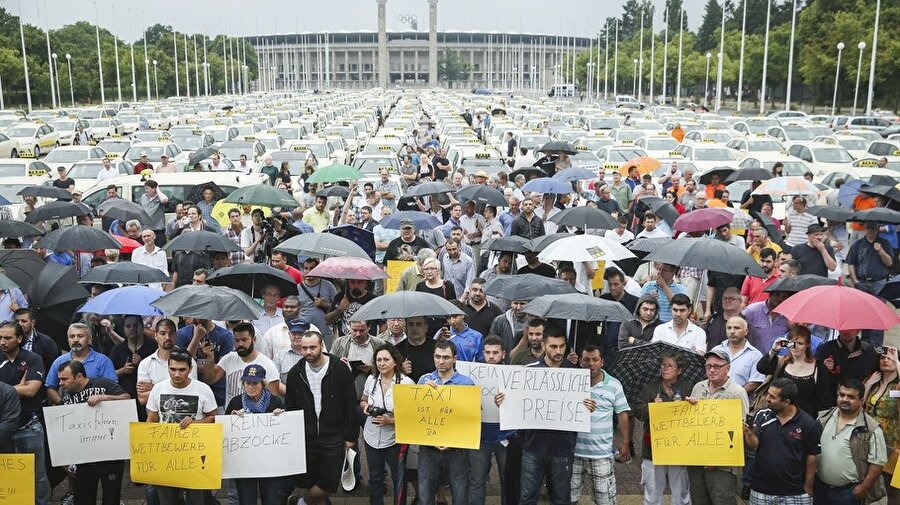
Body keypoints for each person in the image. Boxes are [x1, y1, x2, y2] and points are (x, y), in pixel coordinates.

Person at [496, 328, 588, 505]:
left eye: (562, 346)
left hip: (563, 447)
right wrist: (503, 401)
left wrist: (587, 407)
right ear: (544, 345)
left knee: (561, 498)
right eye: (553, 346)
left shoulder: (575, 373)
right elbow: (515, 404)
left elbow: (580, 407)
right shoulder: (529, 371)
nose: (559, 351)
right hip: (533, 446)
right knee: (527, 498)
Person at [284, 329, 359, 505]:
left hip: (333, 435)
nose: (308, 352)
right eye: (304, 348)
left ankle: (301, 502)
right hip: (307, 437)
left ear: (321, 346)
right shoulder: (296, 373)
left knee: (329, 483)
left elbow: (350, 404)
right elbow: (291, 406)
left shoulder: (339, 369)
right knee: (312, 481)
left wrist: (351, 435)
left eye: (312, 347)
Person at [145, 349, 218, 504]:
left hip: (194, 454)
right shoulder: (158, 389)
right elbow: (151, 421)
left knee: (197, 499)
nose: (177, 374)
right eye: (173, 369)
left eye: (182, 370)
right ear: (168, 368)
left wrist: (195, 423)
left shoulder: (203, 389)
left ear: (190, 369)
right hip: (165, 454)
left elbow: (214, 418)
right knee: (166, 499)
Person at [56, 360, 130, 505]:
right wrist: (64, 461)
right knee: (83, 499)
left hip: (111, 456)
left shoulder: (103, 384)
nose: (60, 383)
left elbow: (126, 399)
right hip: (84, 460)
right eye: (59, 379)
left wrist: (104, 397)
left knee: (112, 498)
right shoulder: (65, 397)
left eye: (64, 379)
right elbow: (62, 431)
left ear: (78, 376)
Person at [415, 340, 475, 505]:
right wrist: (422, 393)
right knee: (425, 495)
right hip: (428, 448)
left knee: (460, 494)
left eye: (446, 357)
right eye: (438, 357)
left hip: (457, 449)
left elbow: (470, 418)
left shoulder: (466, 384)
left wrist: (453, 440)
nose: (441, 361)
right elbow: (416, 415)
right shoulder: (423, 381)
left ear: (455, 359)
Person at [686, 349, 749, 505]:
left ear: (728, 368)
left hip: (723, 466)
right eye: (708, 366)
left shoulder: (737, 392)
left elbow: (740, 430)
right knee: (699, 501)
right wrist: (688, 406)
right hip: (697, 459)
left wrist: (718, 458)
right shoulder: (698, 387)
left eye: (717, 366)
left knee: (722, 501)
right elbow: (689, 423)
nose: (712, 370)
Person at [744, 378, 820, 505]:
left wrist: (808, 485)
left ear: (786, 402)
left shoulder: (808, 423)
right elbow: (754, 445)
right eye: (768, 393)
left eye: (772, 397)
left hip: (795, 492)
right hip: (761, 491)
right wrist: (749, 433)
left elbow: (812, 455)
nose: (767, 398)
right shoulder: (762, 415)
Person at [571, 345, 632, 505]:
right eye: (586, 360)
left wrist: (625, 442)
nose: (590, 364)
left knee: (605, 500)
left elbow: (623, 414)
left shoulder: (614, 384)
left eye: (595, 360)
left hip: (601, 454)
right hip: (573, 452)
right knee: (568, 498)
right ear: (580, 362)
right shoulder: (571, 383)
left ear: (602, 362)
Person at [632, 352, 693, 505]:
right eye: (663, 365)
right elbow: (637, 411)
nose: (665, 368)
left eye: (670, 366)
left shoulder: (688, 387)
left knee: (681, 493)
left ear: (679, 370)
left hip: (679, 449)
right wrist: (652, 407)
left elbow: (696, 415)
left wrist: (692, 404)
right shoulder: (650, 388)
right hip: (653, 448)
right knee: (652, 493)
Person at [0, 321, 50, 504]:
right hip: (2, 429)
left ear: (19, 338)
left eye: (7, 338)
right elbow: (23, 389)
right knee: (5, 474)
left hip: (28, 427)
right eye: (0, 338)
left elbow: (31, 391)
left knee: (37, 475)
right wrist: (18, 386)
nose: (2, 342)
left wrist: (5, 390)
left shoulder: (33, 358)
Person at [815, 378, 887, 505]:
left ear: (861, 401)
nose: (844, 399)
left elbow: (877, 463)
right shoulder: (823, 418)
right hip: (820, 487)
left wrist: (864, 487)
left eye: (851, 397)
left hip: (848, 493)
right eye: (842, 395)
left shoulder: (871, 428)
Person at [359, 344, 415, 505]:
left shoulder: (406, 383)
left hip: (395, 439)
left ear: (395, 361)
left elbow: (413, 415)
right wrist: (366, 408)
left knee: (398, 478)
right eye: (378, 360)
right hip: (371, 437)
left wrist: (390, 421)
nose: (382, 363)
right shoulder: (371, 380)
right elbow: (363, 400)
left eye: (386, 359)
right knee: (375, 477)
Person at [225, 365, 287, 505]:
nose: (251, 387)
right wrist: (232, 418)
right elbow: (226, 432)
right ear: (243, 384)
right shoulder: (236, 402)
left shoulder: (275, 401)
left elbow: (284, 433)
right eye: (248, 383)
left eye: (255, 383)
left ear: (262, 383)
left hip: (270, 463)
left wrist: (281, 417)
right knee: (246, 500)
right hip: (245, 463)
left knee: (271, 500)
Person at [469, 336, 515, 505]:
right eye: (488, 352)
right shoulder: (472, 376)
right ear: (483, 353)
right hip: (480, 437)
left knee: (507, 479)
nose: (491, 356)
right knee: (477, 480)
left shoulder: (513, 376)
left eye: (495, 352)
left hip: (506, 436)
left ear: (503, 354)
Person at [200, 322, 280, 409]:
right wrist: (210, 357)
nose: (240, 344)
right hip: (231, 414)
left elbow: (273, 401)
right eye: (237, 340)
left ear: (254, 340)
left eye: (244, 340)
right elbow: (210, 379)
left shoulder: (267, 365)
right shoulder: (228, 359)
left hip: (257, 417)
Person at [756, 326, 826, 417]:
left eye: (800, 343)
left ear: (807, 344)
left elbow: (824, 399)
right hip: (779, 416)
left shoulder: (819, 367)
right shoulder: (781, 362)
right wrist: (773, 350)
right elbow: (761, 368)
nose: (795, 347)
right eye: (792, 343)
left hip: (806, 418)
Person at [45, 323, 118, 405]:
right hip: (69, 412)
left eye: (80, 336)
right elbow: (50, 387)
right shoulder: (59, 361)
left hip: (98, 409)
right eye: (72, 336)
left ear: (89, 339)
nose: (75, 340)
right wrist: (62, 404)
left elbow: (113, 388)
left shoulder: (103, 361)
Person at [863, 346, 900, 503]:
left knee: (891, 487)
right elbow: (858, 404)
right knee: (866, 483)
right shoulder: (873, 382)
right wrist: (867, 385)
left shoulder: (897, 386)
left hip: (892, 443)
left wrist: (897, 360)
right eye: (883, 357)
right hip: (869, 439)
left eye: (890, 358)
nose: (885, 360)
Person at [108, 315, 158, 420]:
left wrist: (142, 363)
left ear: (142, 327)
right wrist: (123, 370)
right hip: (125, 398)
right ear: (124, 329)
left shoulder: (153, 347)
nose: (132, 328)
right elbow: (109, 375)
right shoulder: (117, 350)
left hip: (148, 399)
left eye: (135, 325)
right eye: (128, 326)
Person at [816, 330, 879, 410]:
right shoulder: (825, 348)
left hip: (857, 404)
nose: (846, 331)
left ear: (858, 330)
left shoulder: (868, 351)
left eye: (851, 329)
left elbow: (874, 373)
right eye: (844, 328)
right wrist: (823, 367)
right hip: (828, 404)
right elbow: (815, 374)